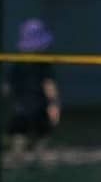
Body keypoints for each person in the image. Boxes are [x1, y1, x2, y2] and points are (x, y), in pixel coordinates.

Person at [6, 18, 61, 156]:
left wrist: (53, 104)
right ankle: (32, 157)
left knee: (22, 134)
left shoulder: (20, 63)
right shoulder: (41, 63)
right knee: (32, 135)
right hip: (32, 107)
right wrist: (53, 104)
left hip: (25, 107)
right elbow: (49, 85)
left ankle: (22, 157)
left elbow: (7, 87)